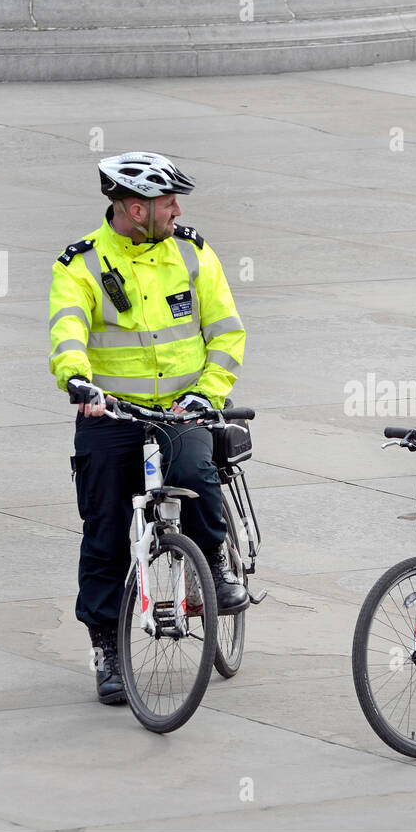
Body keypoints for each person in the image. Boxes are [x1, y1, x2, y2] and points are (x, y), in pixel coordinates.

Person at [49, 151, 248, 705]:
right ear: (136, 210)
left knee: (195, 472)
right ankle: (106, 651)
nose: (178, 210)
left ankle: (209, 568)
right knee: (106, 531)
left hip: (183, 407)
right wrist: (79, 383)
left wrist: (206, 395)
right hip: (111, 412)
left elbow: (228, 331)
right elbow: (67, 330)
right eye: (169, 202)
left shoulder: (193, 252)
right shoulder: (81, 264)